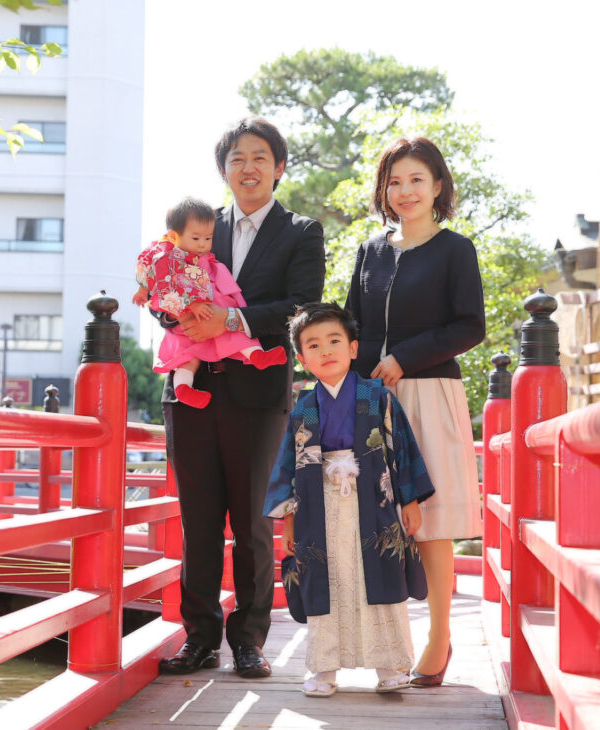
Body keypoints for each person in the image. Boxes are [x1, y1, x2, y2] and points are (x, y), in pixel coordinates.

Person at [157, 117, 326, 678]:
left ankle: (249, 640)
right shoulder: (200, 225)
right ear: (223, 170)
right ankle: (199, 636)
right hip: (193, 392)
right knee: (198, 519)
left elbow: (302, 307)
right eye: (236, 159)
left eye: (259, 158)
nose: (247, 168)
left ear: (278, 168)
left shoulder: (302, 231)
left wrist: (229, 318)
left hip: (257, 393)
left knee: (253, 523)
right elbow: (165, 285)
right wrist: (180, 316)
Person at [345, 136, 485, 687]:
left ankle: (439, 636)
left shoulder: (456, 250)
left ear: (438, 186)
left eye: (416, 180)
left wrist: (405, 356)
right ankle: (386, 644)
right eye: (394, 181)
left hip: (428, 392)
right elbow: (353, 325)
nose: (404, 191)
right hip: (372, 399)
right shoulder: (370, 251)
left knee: (429, 520)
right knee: (377, 521)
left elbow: (469, 326)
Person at [263, 303, 434, 697]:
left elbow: (400, 449)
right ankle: (324, 668)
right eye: (313, 345)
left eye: (334, 340)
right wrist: (288, 520)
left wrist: (409, 501)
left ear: (354, 348)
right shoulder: (303, 408)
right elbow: (287, 465)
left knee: (379, 577)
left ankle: (391, 664)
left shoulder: (378, 397)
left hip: (374, 498)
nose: (326, 350)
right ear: (301, 358)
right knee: (329, 580)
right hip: (317, 504)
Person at [133, 197, 288, 409]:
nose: (203, 245)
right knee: (187, 356)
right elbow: (159, 282)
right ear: (173, 236)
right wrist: (147, 292)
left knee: (233, 331)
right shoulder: (167, 259)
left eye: (208, 239)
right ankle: (183, 389)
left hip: (215, 314)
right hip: (185, 320)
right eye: (196, 239)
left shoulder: (200, 249)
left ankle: (257, 355)